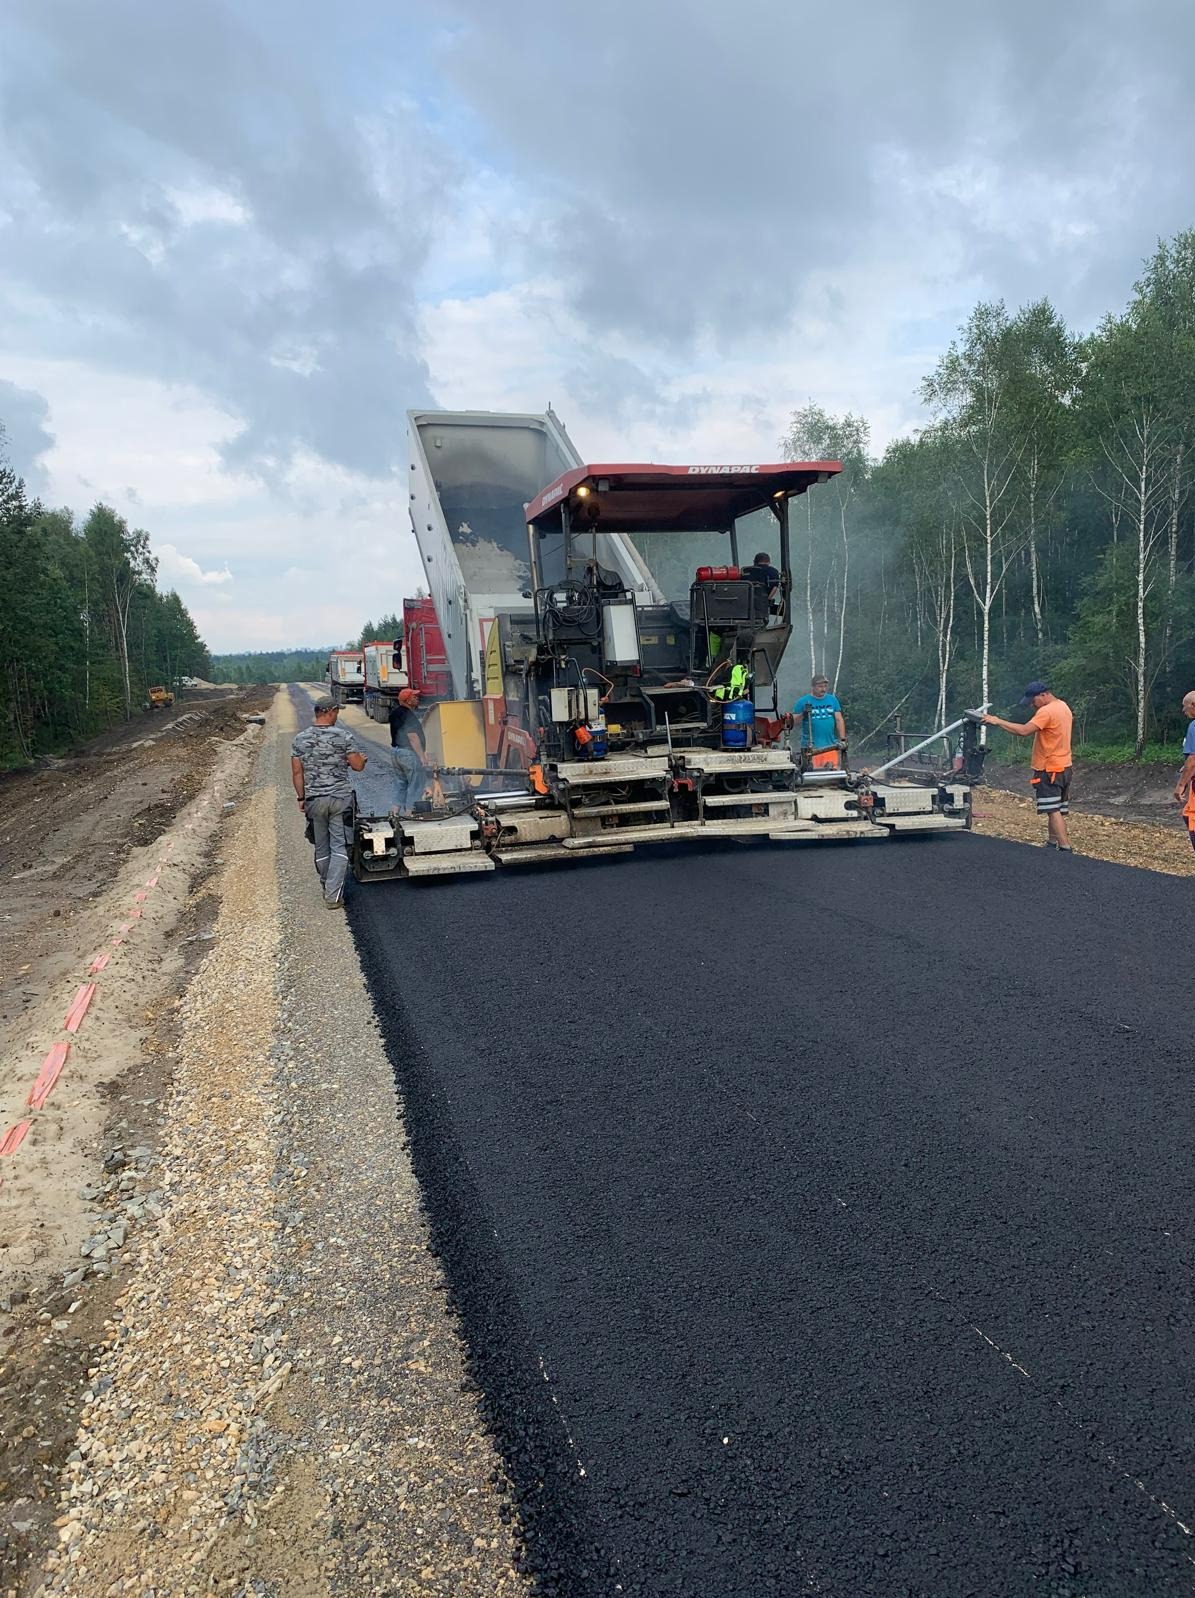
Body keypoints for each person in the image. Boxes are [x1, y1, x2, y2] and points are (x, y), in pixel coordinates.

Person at [291, 695, 367, 908]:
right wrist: (361, 759)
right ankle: (333, 896)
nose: (337, 715)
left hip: (315, 800)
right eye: (337, 712)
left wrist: (301, 798)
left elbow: (297, 772)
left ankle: (327, 883)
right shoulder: (343, 737)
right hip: (340, 801)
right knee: (340, 847)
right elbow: (358, 766)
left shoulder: (299, 739)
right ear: (330, 711)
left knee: (321, 847)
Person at [982, 680, 1074, 852]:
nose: (1033, 705)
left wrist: (997, 721)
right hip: (1065, 766)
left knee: (1053, 810)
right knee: (1053, 808)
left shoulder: (1046, 711)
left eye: (1033, 701)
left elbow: (1023, 731)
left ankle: (1065, 848)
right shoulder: (1063, 706)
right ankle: (1051, 843)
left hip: (1049, 768)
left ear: (1043, 695)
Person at [791, 674, 846, 769]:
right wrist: (803, 713)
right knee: (813, 776)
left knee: (833, 774)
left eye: (825, 686)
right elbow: (793, 722)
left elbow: (839, 719)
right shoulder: (803, 701)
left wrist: (842, 738)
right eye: (820, 686)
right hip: (811, 748)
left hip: (830, 746)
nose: (823, 689)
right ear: (812, 687)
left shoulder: (832, 700)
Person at [388, 686, 427, 816]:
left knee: (401, 784)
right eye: (414, 697)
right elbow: (413, 737)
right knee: (415, 785)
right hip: (408, 753)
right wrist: (422, 757)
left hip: (396, 752)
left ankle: (394, 813)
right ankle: (410, 814)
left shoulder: (395, 713)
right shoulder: (408, 714)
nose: (418, 699)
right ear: (407, 700)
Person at [1173, 689, 1195, 853]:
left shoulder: (1194, 726)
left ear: (1193, 705)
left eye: (1185, 706)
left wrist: (1181, 785)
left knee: (1191, 817)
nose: (1183, 710)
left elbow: (1193, 759)